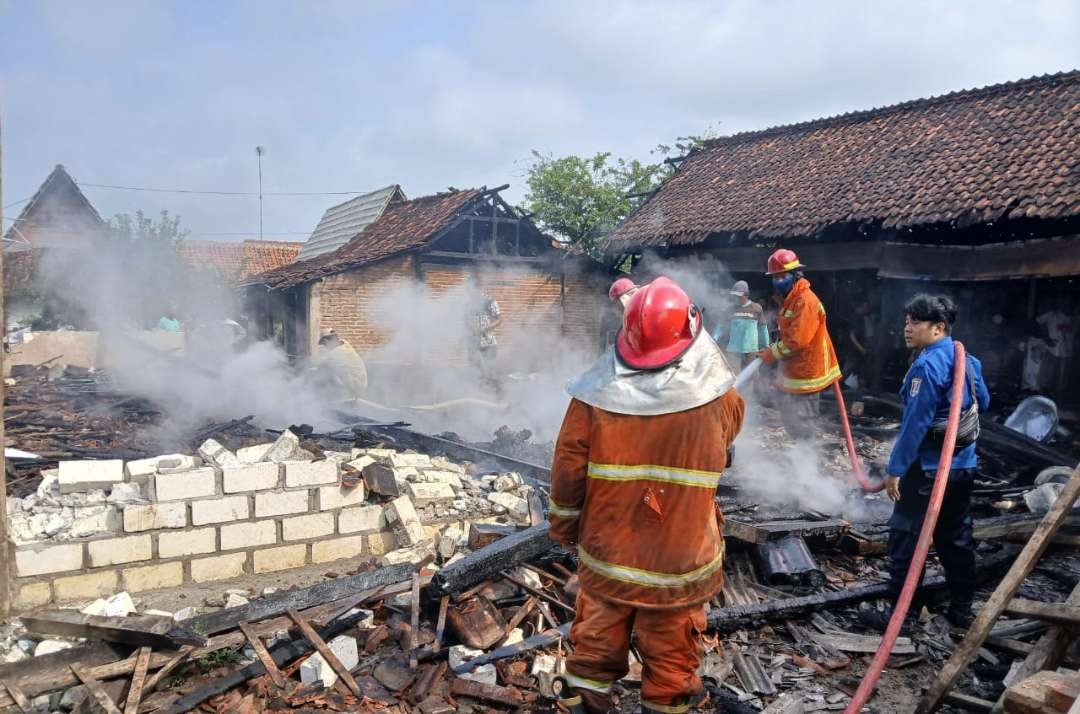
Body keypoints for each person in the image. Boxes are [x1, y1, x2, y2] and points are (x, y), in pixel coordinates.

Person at [550, 277, 744, 714]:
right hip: (680, 562)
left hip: (608, 554)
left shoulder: (591, 399)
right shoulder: (722, 400)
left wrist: (564, 528)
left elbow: (567, 471)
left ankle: (585, 703)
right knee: (673, 657)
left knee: (595, 645)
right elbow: (726, 442)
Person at [872, 294, 990, 630]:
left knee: (906, 537)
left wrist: (895, 470)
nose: (906, 329)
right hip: (963, 466)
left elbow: (915, 425)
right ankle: (962, 610)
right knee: (956, 537)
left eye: (915, 323)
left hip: (927, 471)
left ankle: (902, 615)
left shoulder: (926, 365)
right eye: (907, 321)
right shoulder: (969, 360)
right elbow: (984, 401)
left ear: (938, 328)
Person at [757, 249, 841, 440]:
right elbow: (788, 333)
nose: (778, 281)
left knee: (804, 421)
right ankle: (799, 455)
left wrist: (772, 354)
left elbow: (797, 341)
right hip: (795, 371)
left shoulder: (805, 301)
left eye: (782, 276)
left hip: (808, 373)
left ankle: (807, 460)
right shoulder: (791, 299)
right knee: (791, 418)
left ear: (796, 275)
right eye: (775, 277)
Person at [715, 280, 769, 370]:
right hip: (734, 349)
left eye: (738, 295)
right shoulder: (730, 309)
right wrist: (714, 338)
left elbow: (762, 329)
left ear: (745, 294)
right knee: (734, 376)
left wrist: (766, 345)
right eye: (735, 295)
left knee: (752, 375)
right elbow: (721, 325)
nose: (736, 298)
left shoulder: (756, 308)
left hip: (751, 348)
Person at [314, 328, 368, 401]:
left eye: (324, 345)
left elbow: (321, 369)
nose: (325, 348)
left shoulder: (333, 356)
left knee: (323, 373)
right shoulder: (345, 344)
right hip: (361, 384)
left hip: (354, 388)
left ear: (326, 341)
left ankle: (333, 402)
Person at [472, 292, 502, 387]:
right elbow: (466, 321)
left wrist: (485, 328)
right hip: (474, 343)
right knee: (477, 371)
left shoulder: (489, 301)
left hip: (488, 341)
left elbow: (499, 320)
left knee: (491, 370)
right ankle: (480, 393)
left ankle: (496, 394)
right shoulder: (469, 303)